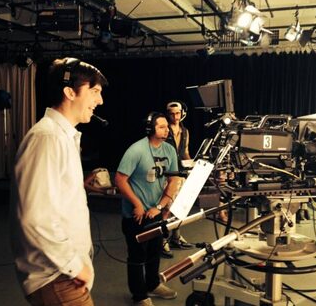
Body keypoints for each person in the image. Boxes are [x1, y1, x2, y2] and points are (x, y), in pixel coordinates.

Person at [10, 57, 107, 306]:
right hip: (57, 277)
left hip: (63, 275)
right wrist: (76, 267)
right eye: (94, 91)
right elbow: (36, 217)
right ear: (69, 92)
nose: (100, 101)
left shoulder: (61, 137)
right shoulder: (47, 138)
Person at [115, 112, 180, 306]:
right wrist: (137, 204)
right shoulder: (136, 150)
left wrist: (160, 206)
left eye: (167, 127)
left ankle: (152, 284)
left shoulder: (169, 150)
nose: (166, 130)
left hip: (155, 212)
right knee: (137, 256)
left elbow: (174, 179)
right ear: (150, 129)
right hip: (136, 215)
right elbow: (119, 179)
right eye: (161, 127)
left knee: (154, 251)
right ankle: (139, 295)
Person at [161, 101, 194, 258]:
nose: (175, 116)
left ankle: (176, 237)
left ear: (182, 113)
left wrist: (192, 164)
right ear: (167, 114)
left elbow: (185, 151)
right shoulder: (163, 130)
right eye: (172, 114)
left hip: (181, 172)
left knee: (180, 207)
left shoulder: (185, 131)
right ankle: (162, 240)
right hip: (168, 173)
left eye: (178, 113)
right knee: (167, 208)